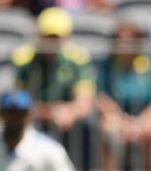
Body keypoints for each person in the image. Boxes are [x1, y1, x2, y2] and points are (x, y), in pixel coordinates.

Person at [97, 21, 151, 171]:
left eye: (129, 39)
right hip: (117, 117)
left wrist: (143, 121)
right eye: (119, 39)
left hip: (145, 118)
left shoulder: (150, 62)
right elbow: (101, 97)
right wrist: (122, 120)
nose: (124, 43)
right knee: (107, 126)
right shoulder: (106, 64)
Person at [12, 7, 96, 140]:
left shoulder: (78, 59)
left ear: (66, 37)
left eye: (55, 37)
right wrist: (50, 113)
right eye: (47, 36)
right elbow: (19, 101)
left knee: (88, 125)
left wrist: (70, 112)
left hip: (70, 127)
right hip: (37, 123)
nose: (51, 43)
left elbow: (85, 102)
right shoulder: (25, 60)